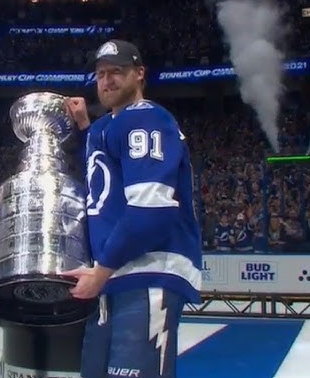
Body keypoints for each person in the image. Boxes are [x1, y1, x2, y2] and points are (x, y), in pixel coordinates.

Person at [63, 39, 203, 378]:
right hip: (115, 276)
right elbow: (106, 169)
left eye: (116, 72)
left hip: (147, 270)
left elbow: (150, 209)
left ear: (140, 74)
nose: (107, 81)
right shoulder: (107, 126)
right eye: (100, 74)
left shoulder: (148, 119)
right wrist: (85, 126)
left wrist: (102, 269)